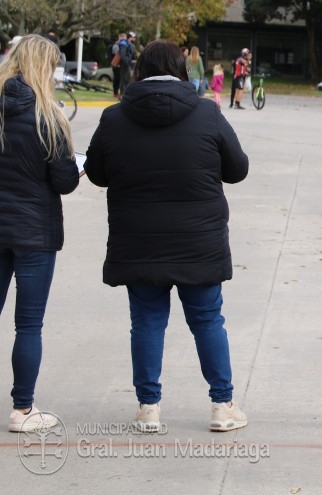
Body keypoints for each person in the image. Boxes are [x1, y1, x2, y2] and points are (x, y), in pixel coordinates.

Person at [84, 40, 250, 433]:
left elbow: (96, 173)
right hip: (199, 242)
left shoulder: (113, 118)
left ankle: (148, 408)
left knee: (145, 322)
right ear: (182, 70)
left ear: (139, 70)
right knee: (208, 320)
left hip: (139, 240)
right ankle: (222, 405)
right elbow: (237, 169)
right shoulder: (207, 114)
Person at [0, 34, 80, 432]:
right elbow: (64, 182)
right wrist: (76, 165)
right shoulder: (49, 117)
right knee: (28, 324)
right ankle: (23, 410)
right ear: (42, 68)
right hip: (34, 231)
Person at [119, 31, 137, 97]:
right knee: (123, 79)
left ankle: (125, 94)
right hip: (125, 64)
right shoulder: (124, 43)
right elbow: (123, 55)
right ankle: (122, 94)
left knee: (127, 79)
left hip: (128, 63)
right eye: (134, 38)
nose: (135, 39)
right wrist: (126, 62)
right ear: (130, 37)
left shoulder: (130, 44)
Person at [110, 33, 126, 98]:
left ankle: (117, 92)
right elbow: (117, 55)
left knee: (119, 79)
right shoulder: (117, 45)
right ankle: (115, 93)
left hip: (118, 65)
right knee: (117, 79)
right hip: (116, 65)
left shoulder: (119, 45)